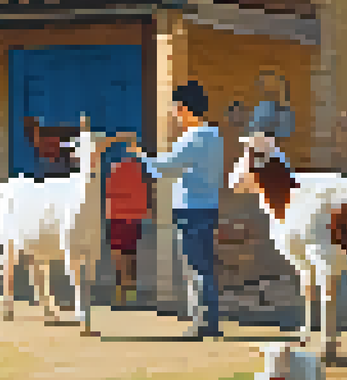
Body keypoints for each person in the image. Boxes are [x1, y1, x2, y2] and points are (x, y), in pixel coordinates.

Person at [123, 80, 226, 339]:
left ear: (185, 108)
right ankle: (208, 321)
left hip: (191, 209)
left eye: (176, 108)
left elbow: (165, 168)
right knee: (204, 267)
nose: (174, 114)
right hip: (208, 206)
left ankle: (200, 323)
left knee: (195, 268)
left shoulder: (193, 138)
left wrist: (140, 154)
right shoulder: (214, 136)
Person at [104, 147, 149, 308]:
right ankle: (129, 291)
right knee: (130, 254)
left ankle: (122, 293)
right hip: (131, 216)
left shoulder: (115, 168)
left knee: (120, 256)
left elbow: (109, 193)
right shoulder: (138, 168)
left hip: (118, 216)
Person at [246, 70, 295, 140]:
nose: (266, 86)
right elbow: (253, 129)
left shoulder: (284, 107)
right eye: (264, 82)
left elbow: (285, 132)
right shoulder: (262, 106)